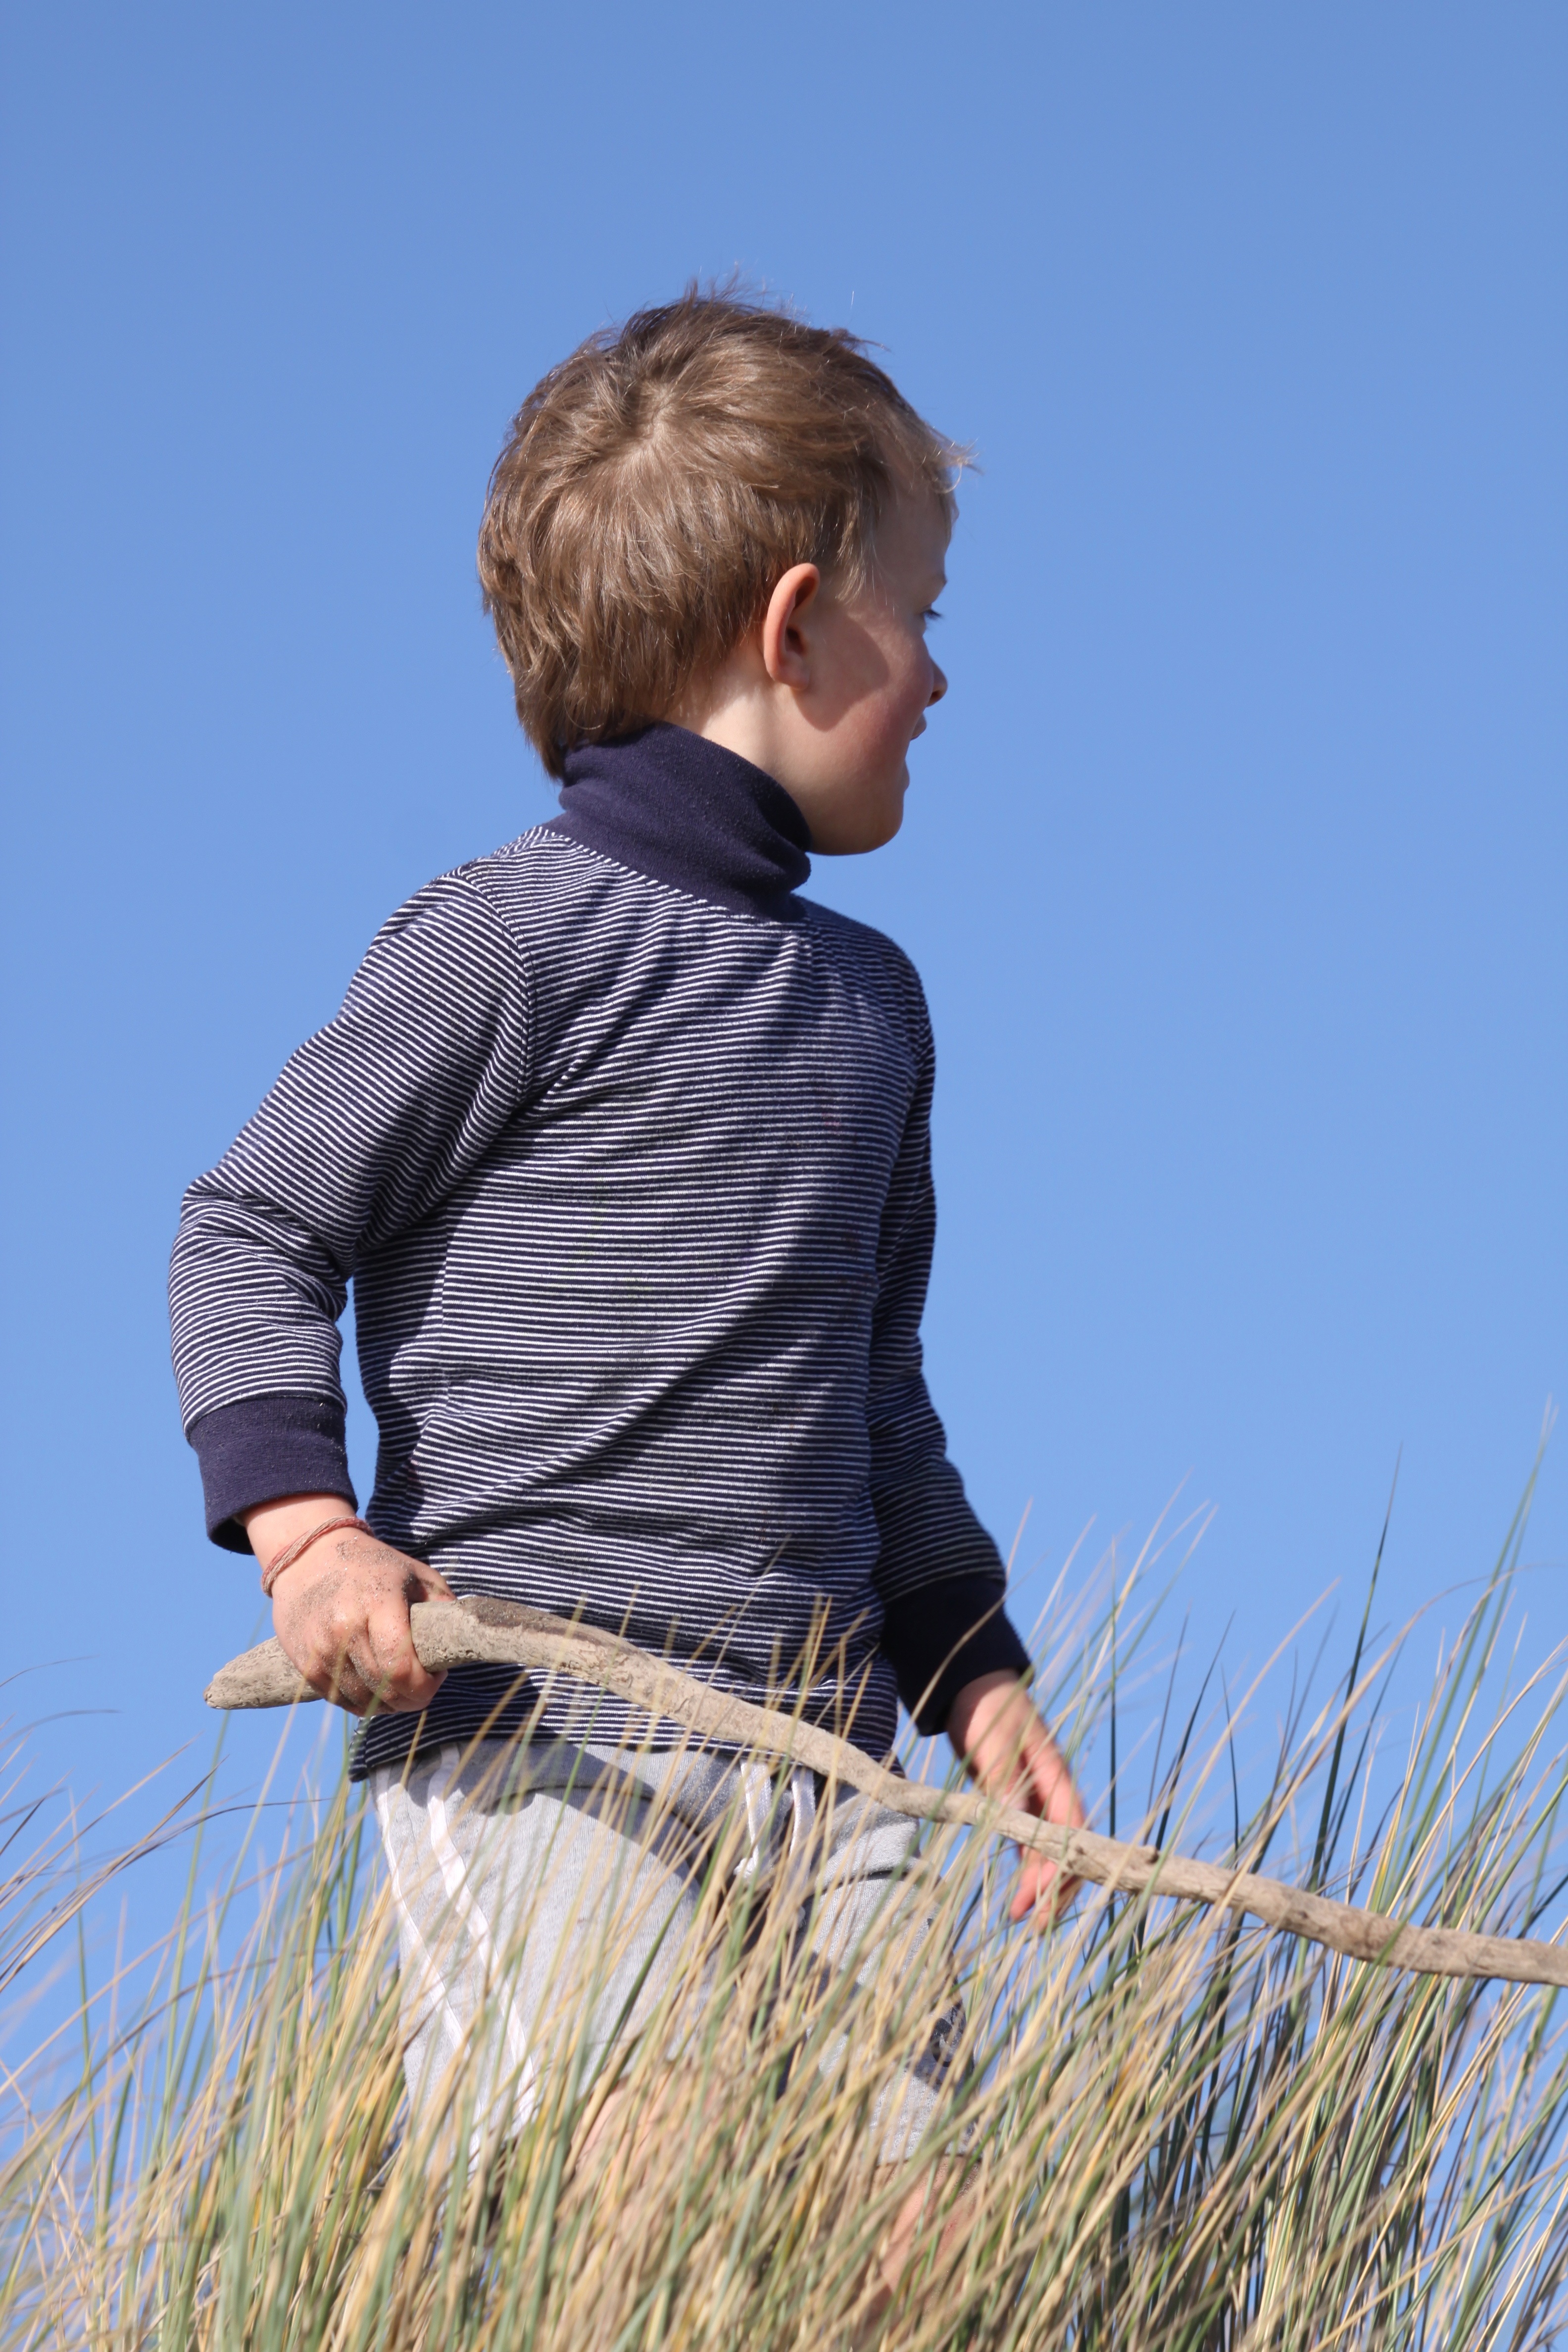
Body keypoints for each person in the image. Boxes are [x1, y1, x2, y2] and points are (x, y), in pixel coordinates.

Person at [168, 288, 1086, 2289]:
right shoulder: (513, 935)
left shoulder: (874, 1008)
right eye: (920, 613)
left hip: (833, 1760)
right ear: (791, 627)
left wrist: (973, 1667)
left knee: (923, 2253)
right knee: (632, 2214)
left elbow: (875, 1391)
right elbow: (252, 1226)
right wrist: (311, 1533)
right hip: (540, 1739)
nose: (940, 675)